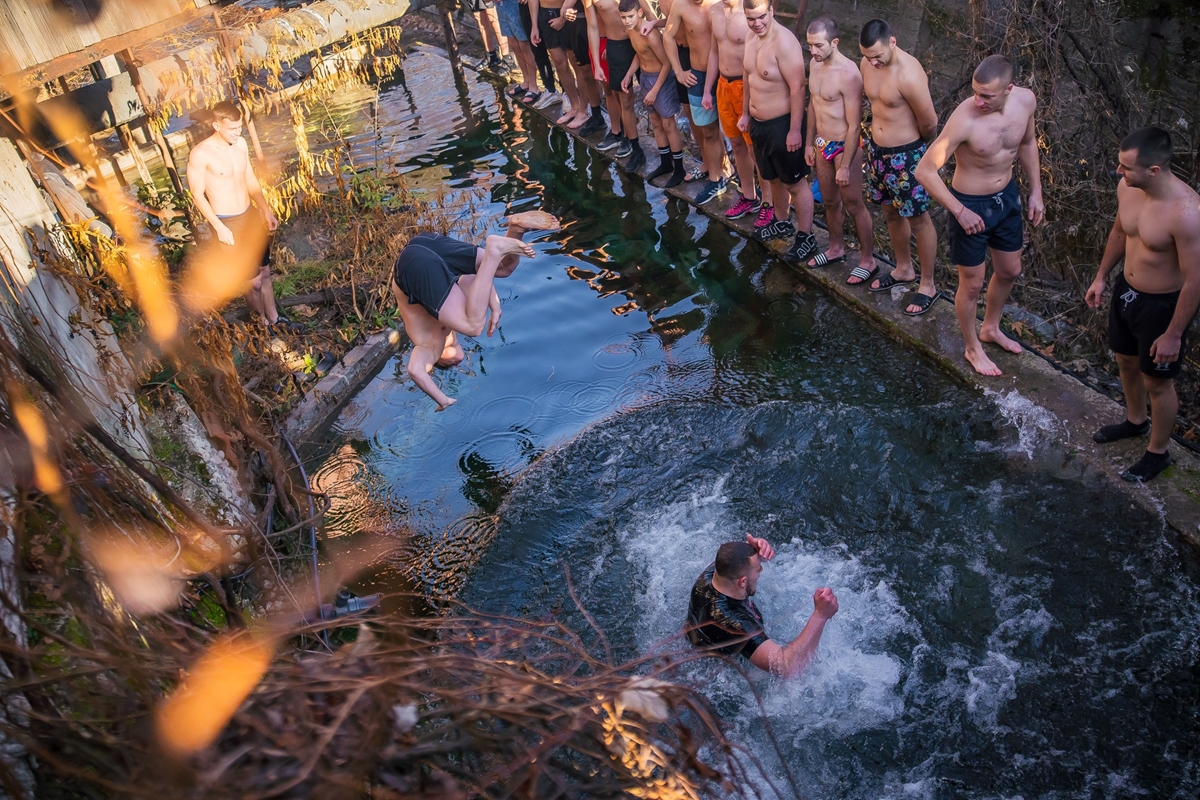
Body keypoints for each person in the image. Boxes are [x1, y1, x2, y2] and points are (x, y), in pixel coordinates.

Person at [915, 55, 1045, 376]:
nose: (978, 100)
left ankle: (990, 327)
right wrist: (959, 211)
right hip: (969, 204)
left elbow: (1028, 143)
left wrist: (1036, 191)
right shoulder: (966, 119)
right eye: (975, 92)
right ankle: (973, 348)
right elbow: (925, 170)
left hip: (1007, 199)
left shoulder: (1026, 101)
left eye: (987, 95)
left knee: (1010, 269)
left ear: (1009, 89)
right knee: (972, 285)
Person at [1085, 126, 1200, 482]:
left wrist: (1173, 334)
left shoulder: (1186, 213)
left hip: (1162, 306)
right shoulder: (1128, 188)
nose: (1118, 172)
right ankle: (1136, 421)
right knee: (1126, 361)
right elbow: (1121, 232)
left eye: (1125, 167)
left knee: (1158, 382)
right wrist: (1102, 275)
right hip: (1126, 291)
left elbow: (1196, 280)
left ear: (1154, 170)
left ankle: (1158, 452)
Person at [391, 211, 560, 410]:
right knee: (504, 268)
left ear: (438, 360)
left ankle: (495, 248)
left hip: (411, 266)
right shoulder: (447, 316)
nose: (457, 363)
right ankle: (516, 228)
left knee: (473, 326)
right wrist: (494, 304)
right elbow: (473, 278)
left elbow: (416, 371)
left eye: (448, 365)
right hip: (425, 244)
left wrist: (442, 400)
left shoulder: (429, 346)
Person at [186, 101, 298, 332]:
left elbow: (249, 179)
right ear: (216, 125)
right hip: (227, 222)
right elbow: (197, 195)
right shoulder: (200, 154)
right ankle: (262, 325)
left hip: (250, 217)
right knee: (252, 282)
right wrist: (218, 227)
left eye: (240, 128)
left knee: (265, 273)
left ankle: (276, 320)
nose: (237, 133)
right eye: (232, 129)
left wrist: (265, 210)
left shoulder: (240, 145)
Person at [855, 19, 939, 315]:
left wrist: (913, 151)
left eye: (877, 55)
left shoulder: (909, 73)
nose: (872, 62)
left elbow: (929, 123)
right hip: (878, 152)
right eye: (867, 56)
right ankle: (903, 268)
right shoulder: (868, 65)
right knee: (890, 212)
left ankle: (928, 284)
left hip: (907, 156)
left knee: (918, 218)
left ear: (893, 41)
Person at [686, 535, 839, 677]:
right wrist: (821, 614)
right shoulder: (733, 621)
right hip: (712, 671)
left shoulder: (713, 576)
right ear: (743, 582)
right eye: (758, 569)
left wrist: (753, 550)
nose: (761, 570)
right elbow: (787, 667)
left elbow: (731, 560)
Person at [740, 0, 818, 263]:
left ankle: (806, 237)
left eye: (761, 16)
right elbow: (748, 77)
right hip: (759, 125)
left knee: (795, 183)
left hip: (783, 124)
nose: (757, 23)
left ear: (771, 10)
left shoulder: (784, 43)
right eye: (751, 18)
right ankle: (782, 221)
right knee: (771, 177)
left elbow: (798, 87)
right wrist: (745, 113)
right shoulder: (751, 38)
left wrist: (795, 130)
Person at [803, 17, 875, 277]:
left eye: (819, 45)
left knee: (854, 203)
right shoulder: (814, 64)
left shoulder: (849, 74)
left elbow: (855, 125)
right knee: (831, 202)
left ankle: (868, 260)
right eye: (810, 45)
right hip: (822, 142)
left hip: (844, 145)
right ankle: (836, 249)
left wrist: (845, 166)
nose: (813, 51)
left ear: (834, 42)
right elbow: (813, 103)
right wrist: (809, 142)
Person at [664, 0, 729, 205]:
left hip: (728, 75)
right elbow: (668, 35)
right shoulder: (680, 5)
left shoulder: (722, 3)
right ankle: (715, 179)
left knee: (741, 136)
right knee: (707, 130)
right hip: (697, 75)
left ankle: (751, 191)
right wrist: (678, 71)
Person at [619, 0, 687, 185]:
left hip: (661, 80)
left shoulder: (651, 35)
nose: (626, 21)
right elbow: (640, 54)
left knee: (668, 124)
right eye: (623, 17)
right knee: (656, 123)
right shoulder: (631, 30)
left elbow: (666, 63)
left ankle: (679, 168)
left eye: (630, 16)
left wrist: (655, 91)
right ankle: (666, 163)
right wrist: (628, 75)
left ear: (640, 12)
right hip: (646, 78)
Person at [705, 0, 761, 221]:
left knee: (753, 147)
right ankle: (749, 197)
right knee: (736, 144)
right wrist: (708, 89)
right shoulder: (714, 11)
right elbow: (713, 52)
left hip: (744, 85)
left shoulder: (750, 13)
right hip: (723, 85)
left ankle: (768, 202)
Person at [584, 0, 648, 169]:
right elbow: (592, 27)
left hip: (640, 39)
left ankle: (669, 153)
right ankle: (635, 148)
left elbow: (648, 12)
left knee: (653, 95)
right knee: (624, 100)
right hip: (616, 44)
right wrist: (597, 64)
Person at [530, 0, 588, 127]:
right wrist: (534, 25)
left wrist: (562, 18)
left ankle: (583, 110)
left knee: (577, 64)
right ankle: (574, 106)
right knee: (559, 63)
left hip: (567, 12)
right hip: (545, 13)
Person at [497, 0, 540, 101]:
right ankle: (526, 80)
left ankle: (533, 86)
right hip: (500, 5)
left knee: (524, 44)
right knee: (513, 44)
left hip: (515, 5)